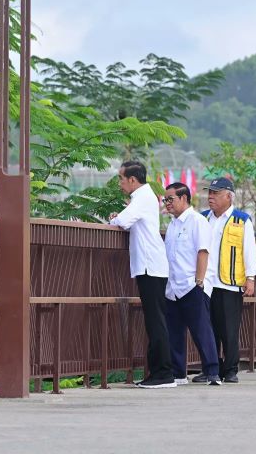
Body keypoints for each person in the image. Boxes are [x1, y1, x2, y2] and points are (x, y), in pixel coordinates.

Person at [109, 161, 175, 389]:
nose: (120, 183)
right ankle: (157, 372)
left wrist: (114, 218)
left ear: (132, 180)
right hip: (151, 266)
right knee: (153, 321)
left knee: (156, 321)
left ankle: (164, 374)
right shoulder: (144, 197)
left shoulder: (142, 197)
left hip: (150, 267)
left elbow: (124, 221)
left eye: (121, 178)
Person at [163, 182, 222, 386]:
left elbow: (202, 251)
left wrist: (199, 281)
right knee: (175, 332)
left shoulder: (197, 221)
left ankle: (213, 371)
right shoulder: (172, 225)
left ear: (184, 198)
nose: (167, 203)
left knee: (201, 330)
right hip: (173, 288)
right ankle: (179, 373)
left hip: (192, 285)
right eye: (165, 199)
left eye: (170, 199)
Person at [203, 177, 256, 383]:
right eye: (209, 192)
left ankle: (231, 369)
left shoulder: (241, 219)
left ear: (228, 196)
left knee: (229, 329)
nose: (210, 197)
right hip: (206, 283)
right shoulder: (203, 218)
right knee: (208, 329)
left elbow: (249, 251)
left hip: (230, 282)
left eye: (215, 193)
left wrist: (250, 278)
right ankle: (211, 368)